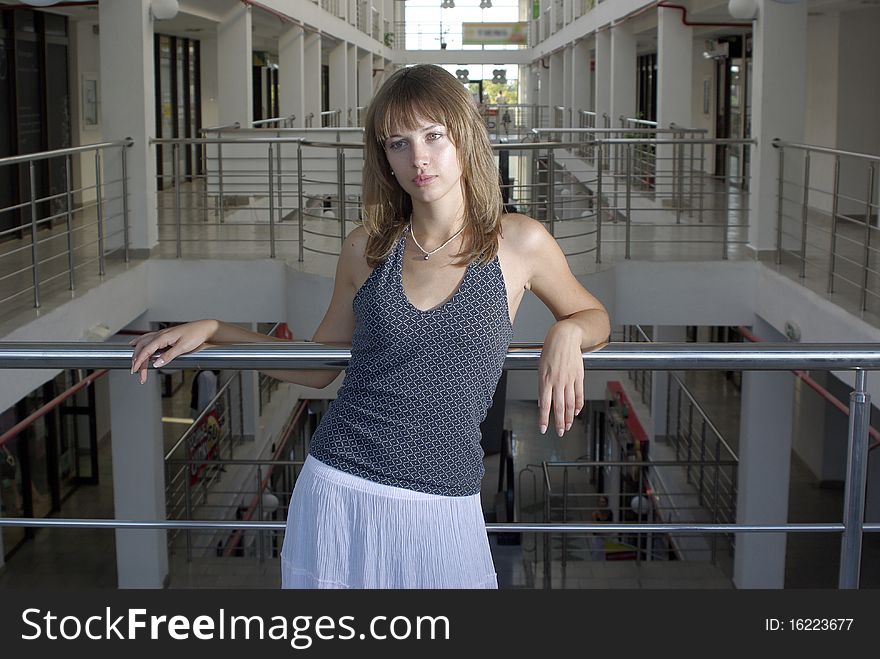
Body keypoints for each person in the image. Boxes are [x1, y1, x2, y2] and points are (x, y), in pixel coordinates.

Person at [129, 64, 610, 589]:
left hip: (445, 500)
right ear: (384, 157)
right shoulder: (367, 247)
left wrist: (566, 333)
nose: (418, 158)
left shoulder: (518, 242)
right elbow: (319, 366)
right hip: (338, 486)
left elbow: (594, 317)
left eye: (433, 136)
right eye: (398, 143)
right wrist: (217, 330)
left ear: (465, 139)